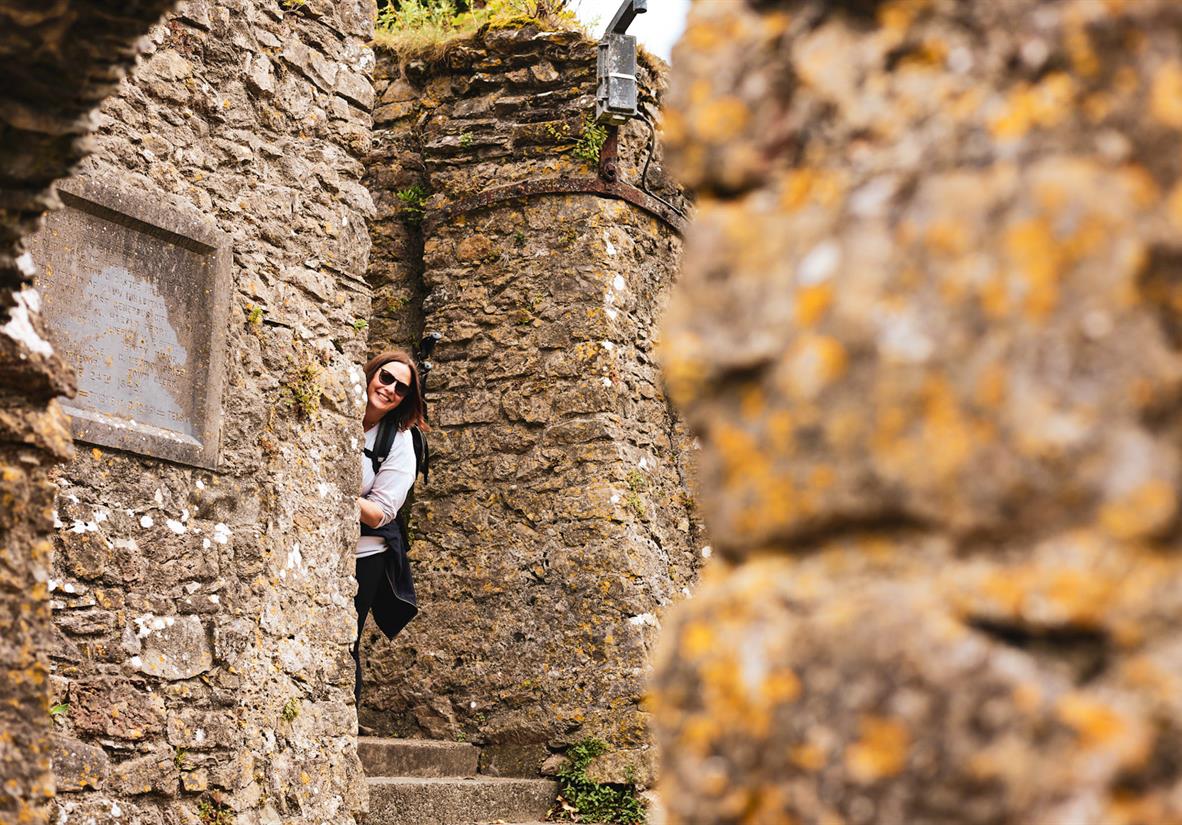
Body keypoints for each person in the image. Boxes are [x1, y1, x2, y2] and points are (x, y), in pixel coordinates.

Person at [353, 348, 427, 709]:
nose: (389, 389)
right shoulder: (338, 411)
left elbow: (381, 512)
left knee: (345, 641)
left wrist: (336, 496)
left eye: (400, 389)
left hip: (364, 555)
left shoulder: (398, 443)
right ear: (371, 373)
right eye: (386, 378)